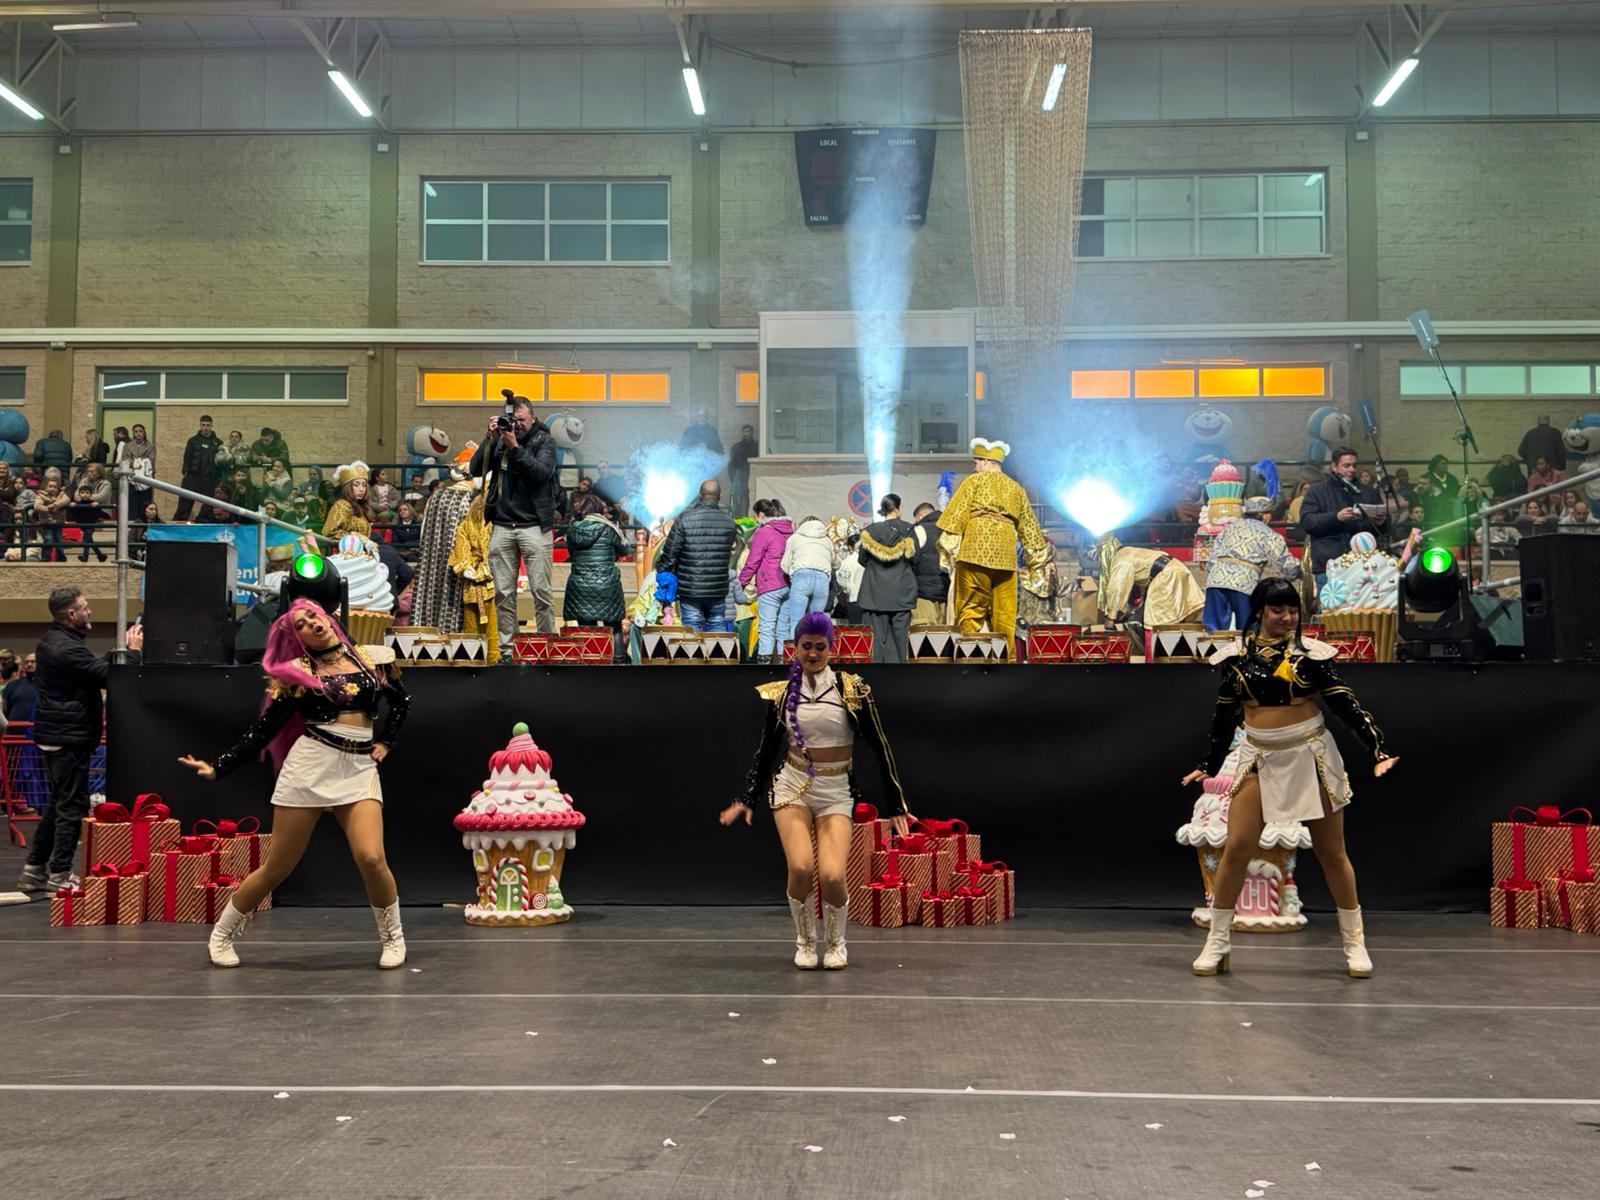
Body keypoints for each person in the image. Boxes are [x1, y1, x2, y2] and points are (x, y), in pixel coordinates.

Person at [177, 600, 410, 968]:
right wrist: (219, 766)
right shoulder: (298, 675)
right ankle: (221, 933)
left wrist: (386, 740)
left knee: (371, 857)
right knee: (278, 865)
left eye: (314, 615)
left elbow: (400, 702)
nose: (313, 624)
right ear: (295, 638)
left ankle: (393, 938)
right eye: (302, 624)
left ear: (329, 617)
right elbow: (263, 730)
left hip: (358, 768)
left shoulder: (372, 659)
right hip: (310, 767)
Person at [1183, 578, 1396, 979]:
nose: (1287, 618)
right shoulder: (1235, 659)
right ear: (1260, 611)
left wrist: (1376, 747)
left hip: (1309, 755)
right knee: (1237, 848)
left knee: (1332, 852)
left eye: (1293, 610)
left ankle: (1354, 942)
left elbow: (1344, 705)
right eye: (1278, 610)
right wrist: (1210, 764)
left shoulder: (1312, 657)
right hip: (1259, 757)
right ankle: (1218, 939)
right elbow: (1225, 717)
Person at [720, 612, 913, 970]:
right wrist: (747, 797)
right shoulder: (781, 695)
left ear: (830, 648)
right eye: (805, 646)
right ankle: (806, 940)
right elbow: (765, 750)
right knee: (800, 866)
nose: (812, 653)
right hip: (792, 787)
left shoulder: (853, 690)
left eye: (819, 647)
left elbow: (880, 745)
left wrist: (897, 803)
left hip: (837, 788)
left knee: (832, 875)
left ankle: (836, 941)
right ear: (795, 648)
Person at [15, 587, 144, 895]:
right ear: (71, 614)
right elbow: (105, 675)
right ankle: (59, 876)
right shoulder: (65, 647)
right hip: (66, 738)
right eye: (85, 608)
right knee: (72, 807)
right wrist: (134, 651)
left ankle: (33, 870)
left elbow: (91, 667)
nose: (90, 612)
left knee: (58, 804)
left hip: (59, 734)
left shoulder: (58, 641)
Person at [469, 393, 561, 649]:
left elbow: (540, 474)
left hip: (534, 527)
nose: (516, 425)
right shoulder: (499, 440)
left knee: (541, 593)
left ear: (532, 417)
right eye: (512, 420)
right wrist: (490, 439)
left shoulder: (546, 441)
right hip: (502, 526)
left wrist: (514, 448)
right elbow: (475, 469)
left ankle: (545, 646)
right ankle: (507, 650)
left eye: (521, 420)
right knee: (503, 594)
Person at [937, 438, 1050, 643]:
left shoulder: (973, 481)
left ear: (986, 461)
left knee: (970, 612)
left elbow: (956, 517)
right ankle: (1006, 668)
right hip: (1006, 561)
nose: (975, 467)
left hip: (974, 554)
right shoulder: (1016, 489)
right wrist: (1036, 563)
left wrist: (946, 551)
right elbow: (1031, 531)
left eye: (977, 462)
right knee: (1005, 618)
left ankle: (970, 664)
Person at [1201, 496, 1296, 631]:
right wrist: (1297, 573)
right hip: (1244, 582)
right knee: (1248, 627)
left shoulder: (1229, 529)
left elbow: (1212, 559)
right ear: (1264, 514)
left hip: (1216, 579)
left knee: (1212, 629)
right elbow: (1283, 562)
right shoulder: (1267, 533)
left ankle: (1209, 652)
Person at [654, 480, 738, 632]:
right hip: (717, 586)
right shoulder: (729, 522)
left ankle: (695, 656)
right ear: (719, 497)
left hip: (690, 586)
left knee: (692, 628)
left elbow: (670, 553)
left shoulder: (684, 520)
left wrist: (662, 571)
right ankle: (715, 655)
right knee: (717, 626)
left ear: (700, 496)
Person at [1298, 447, 1385, 581]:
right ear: (1334, 467)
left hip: (1364, 564)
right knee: (1329, 602)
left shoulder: (1368, 492)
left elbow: (1384, 527)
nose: (1352, 469)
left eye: (1354, 465)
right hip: (1329, 564)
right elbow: (1307, 522)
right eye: (1346, 465)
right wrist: (1335, 517)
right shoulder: (1317, 491)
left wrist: (1381, 522)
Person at [857, 494, 917, 663]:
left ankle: (876, 680)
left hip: (875, 593)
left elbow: (862, 560)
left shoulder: (870, 532)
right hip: (902, 592)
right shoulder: (909, 530)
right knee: (902, 641)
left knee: (876, 642)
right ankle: (903, 678)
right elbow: (915, 559)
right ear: (897, 508)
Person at [563, 509, 629, 659]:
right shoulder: (609, 529)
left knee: (587, 628)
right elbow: (625, 550)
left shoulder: (573, 530)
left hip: (581, 585)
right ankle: (618, 660)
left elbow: (572, 554)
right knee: (614, 626)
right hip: (607, 584)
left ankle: (591, 662)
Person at [740, 499, 793, 663]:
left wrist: (740, 582)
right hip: (788, 584)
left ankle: (765, 668)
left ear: (761, 515)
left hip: (770, 585)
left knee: (766, 628)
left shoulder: (764, 532)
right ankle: (784, 666)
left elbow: (753, 561)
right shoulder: (789, 531)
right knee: (783, 629)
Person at [779, 514, 834, 644]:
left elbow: (785, 564)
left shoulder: (794, 538)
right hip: (823, 580)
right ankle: (815, 659)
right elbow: (835, 562)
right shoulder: (827, 540)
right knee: (816, 624)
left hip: (801, 577)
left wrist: (793, 573)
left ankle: (795, 658)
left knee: (796, 622)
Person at [175, 415, 221, 521]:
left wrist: (218, 477)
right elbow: (187, 456)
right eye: (203, 425)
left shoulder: (218, 442)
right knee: (184, 505)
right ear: (200, 425)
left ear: (212, 426)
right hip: (192, 477)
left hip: (209, 478)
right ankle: (177, 528)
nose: (205, 427)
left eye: (208, 425)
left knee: (209, 506)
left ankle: (205, 526)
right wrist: (185, 472)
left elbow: (219, 462)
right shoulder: (193, 441)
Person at [909, 502, 948, 626]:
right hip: (947, 592)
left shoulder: (920, 529)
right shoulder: (950, 530)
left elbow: (911, 559)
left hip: (923, 594)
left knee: (924, 636)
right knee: (946, 635)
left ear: (920, 516)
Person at [322, 461, 374, 540]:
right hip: (345, 551)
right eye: (356, 485)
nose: (361, 489)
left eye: (364, 485)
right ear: (348, 488)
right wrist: (356, 537)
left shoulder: (360, 506)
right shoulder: (342, 505)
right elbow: (329, 532)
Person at [118, 423, 155, 518]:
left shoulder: (151, 446)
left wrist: (137, 462)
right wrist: (138, 462)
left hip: (146, 477)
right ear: (133, 433)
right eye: (136, 431)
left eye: (140, 431)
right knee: (132, 501)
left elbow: (151, 460)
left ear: (144, 433)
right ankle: (131, 521)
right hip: (131, 477)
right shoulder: (127, 446)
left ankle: (144, 521)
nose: (138, 433)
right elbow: (125, 459)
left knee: (145, 501)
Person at [28, 477, 69, 561]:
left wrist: (55, 505)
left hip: (58, 521)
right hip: (47, 521)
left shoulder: (61, 494)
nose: (53, 488)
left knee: (59, 539)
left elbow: (66, 500)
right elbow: (37, 506)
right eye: (50, 486)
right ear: (45, 487)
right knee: (48, 539)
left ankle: (60, 557)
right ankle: (46, 556)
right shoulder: (41, 495)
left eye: (55, 487)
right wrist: (47, 508)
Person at [66, 484, 108, 563]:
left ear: (91, 494)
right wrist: (72, 506)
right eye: (82, 492)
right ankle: (100, 556)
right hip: (82, 525)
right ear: (79, 494)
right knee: (89, 540)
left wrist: (97, 506)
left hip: (91, 525)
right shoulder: (77, 504)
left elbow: (100, 513)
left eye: (87, 493)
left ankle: (85, 556)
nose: (85, 494)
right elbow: (72, 514)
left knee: (86, 538)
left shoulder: (93, 503)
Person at [728, 424, 758, 518]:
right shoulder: (737, 447)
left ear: (752, 432)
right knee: (738, 499)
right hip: (740, 475)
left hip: (752, 475)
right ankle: (738, 517)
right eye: (744, 432)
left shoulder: (757, 446)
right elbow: (731, 464)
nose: (745, 434)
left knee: (750, 497)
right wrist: (733, 477)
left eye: (747, 431)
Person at [1, 652, 36, 722]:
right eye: (26, 662)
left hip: (38, 729)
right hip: (14, 729)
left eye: (33, 662)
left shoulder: (47, 685)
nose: (29, 664)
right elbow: (5, 709)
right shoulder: (13, 685)